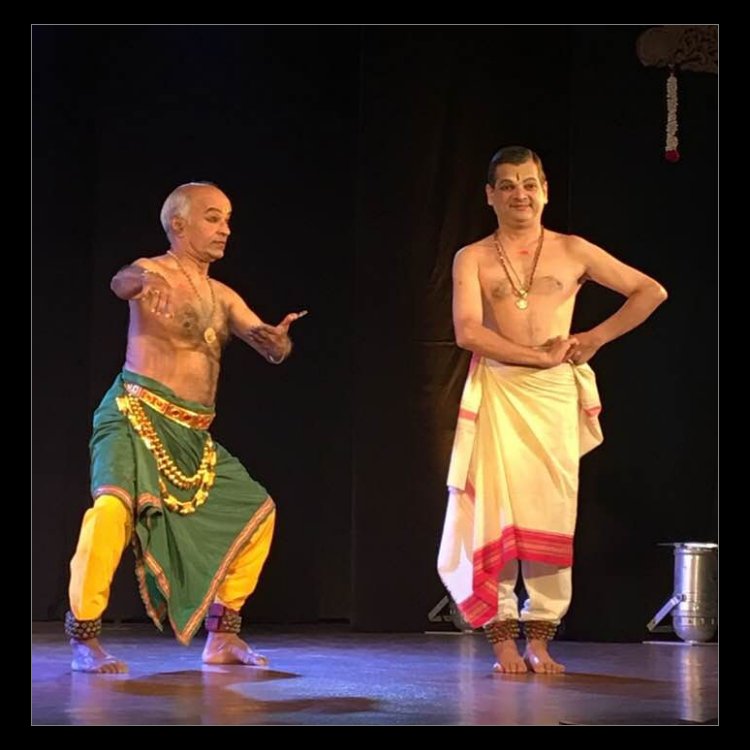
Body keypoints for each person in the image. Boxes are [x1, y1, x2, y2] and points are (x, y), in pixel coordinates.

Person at [437, 146, 667, 674]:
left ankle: (540, 635)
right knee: (494, 510)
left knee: (551, 510)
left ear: (544, 191)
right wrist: (534, 357)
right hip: (499, 390)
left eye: (529, 184)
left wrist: (595, 337)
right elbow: (468, 331)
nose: (519, 194)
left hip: (553, 396)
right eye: (507, 185)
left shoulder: (572, 249)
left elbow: (649, 291)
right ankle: (501, 638)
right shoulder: (472, 257)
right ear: (490, 195)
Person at [66, 182, 307, 673]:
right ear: (179, 224)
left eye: (228, 220)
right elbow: (121, 282)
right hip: (134, 414)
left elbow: (270, 347)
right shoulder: (153, 271)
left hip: (191, 434)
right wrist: (137, 280)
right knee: (111, 511)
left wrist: (277, 342)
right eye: (213, 218)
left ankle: (222, 637)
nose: (226, 229)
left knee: (258, 512)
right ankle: (84, 637)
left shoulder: (223, 296)